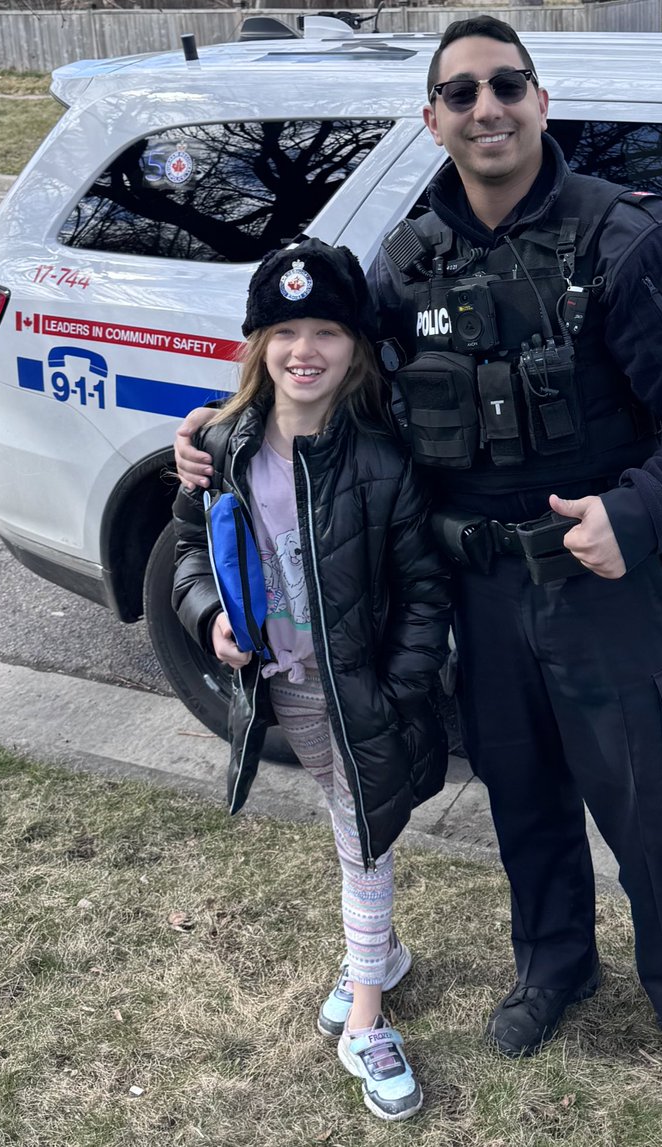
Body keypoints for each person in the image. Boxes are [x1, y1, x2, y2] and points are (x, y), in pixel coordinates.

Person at [176, 15, 662, 1103]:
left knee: (646, 808)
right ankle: (554, 967)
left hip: (606, 587)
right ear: (432, 118)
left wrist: (633, 515)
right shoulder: (405, 265)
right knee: (522, 795)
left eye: (507, 85)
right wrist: (228, 424)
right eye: (461, 92)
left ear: (541, 101)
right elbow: (338, 384)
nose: (486, 107)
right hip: (480, 591)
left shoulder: (627, 243)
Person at [170, 238, 451, 1122]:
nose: (305, 350)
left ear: (356, 345)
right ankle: (382, 959)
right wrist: (208, 614)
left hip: (359, 691)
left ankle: (365, 1017)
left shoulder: (382, 456)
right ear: (258, 343)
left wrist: (401, 689)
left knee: (362, 838)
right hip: (282, 684)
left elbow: (423, 588)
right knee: (351, 823)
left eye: (326, 329)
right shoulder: (218, 444)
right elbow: (188, 552)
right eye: (285, 330)